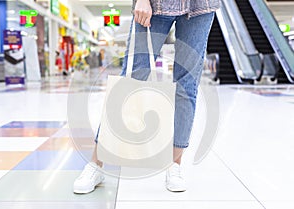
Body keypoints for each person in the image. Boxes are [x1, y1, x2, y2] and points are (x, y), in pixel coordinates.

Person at [73, 0, 220, 194]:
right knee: (133, 77)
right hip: (156, 4)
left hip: (201, 5)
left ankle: (174, 166)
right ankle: (96, 164)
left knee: (187, 84)